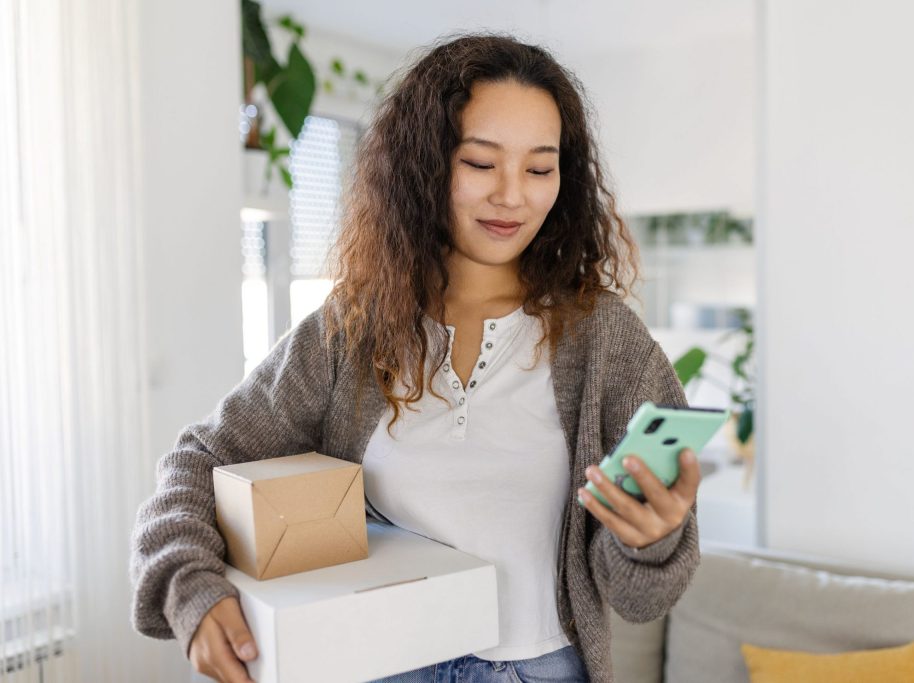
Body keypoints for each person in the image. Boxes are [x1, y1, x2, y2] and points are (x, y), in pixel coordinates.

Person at [129, 32, 701, 683]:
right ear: (425, 166)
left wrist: (653, 536)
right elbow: (199, 461)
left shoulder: (608, 342)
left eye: (540, 168)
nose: (513, 195)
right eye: (482, 163)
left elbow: (641, 597)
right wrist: (192, 591)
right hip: (380, 665)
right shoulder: (352, 331)